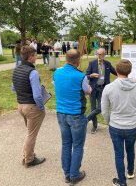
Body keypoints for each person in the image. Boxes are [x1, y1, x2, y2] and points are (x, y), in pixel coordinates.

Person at [101, 59, 136, 186]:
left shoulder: (108, 88)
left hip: (115, 126)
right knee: (130, 150)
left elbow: (104, 110)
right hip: (132, 125)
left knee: (119, 154)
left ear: (117, 71)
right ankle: (130, 171)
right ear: (129, 71)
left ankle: (122, 181)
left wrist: (109, 122)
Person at [54, 49, 92, 185]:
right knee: (77, 145)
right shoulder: (81, 76)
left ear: (66, 59)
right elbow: (87, 91)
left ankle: (67, 173)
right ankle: (74, 174)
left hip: (61, 114)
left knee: (65, 144)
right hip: (76, 115)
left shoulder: (57, 73)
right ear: (78, 61)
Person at [12, 46, 46, 168]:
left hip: (20, 105)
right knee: (31, 134)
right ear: (31, 56)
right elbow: (37, 95)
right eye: (35, 55)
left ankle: (28, 155)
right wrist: (42, 108)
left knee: (29, 132)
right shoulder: (33, 72)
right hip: (32, 107)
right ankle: (29, 159)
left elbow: (13, 88)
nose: (36, 57)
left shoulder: (16, 69)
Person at [86, 48, 117, 134]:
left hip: (103, 89)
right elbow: (86, 75)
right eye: (98, 54)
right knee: (93, 108)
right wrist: (91, 75)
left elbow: (116, 72)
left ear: (104, 54)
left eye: (101, 54)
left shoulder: (107, 64)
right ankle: (94, 126)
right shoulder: (92, 63)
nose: (99, 56)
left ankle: (86, 119)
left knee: (101, 108)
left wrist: (126, 73)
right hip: (93, 88)